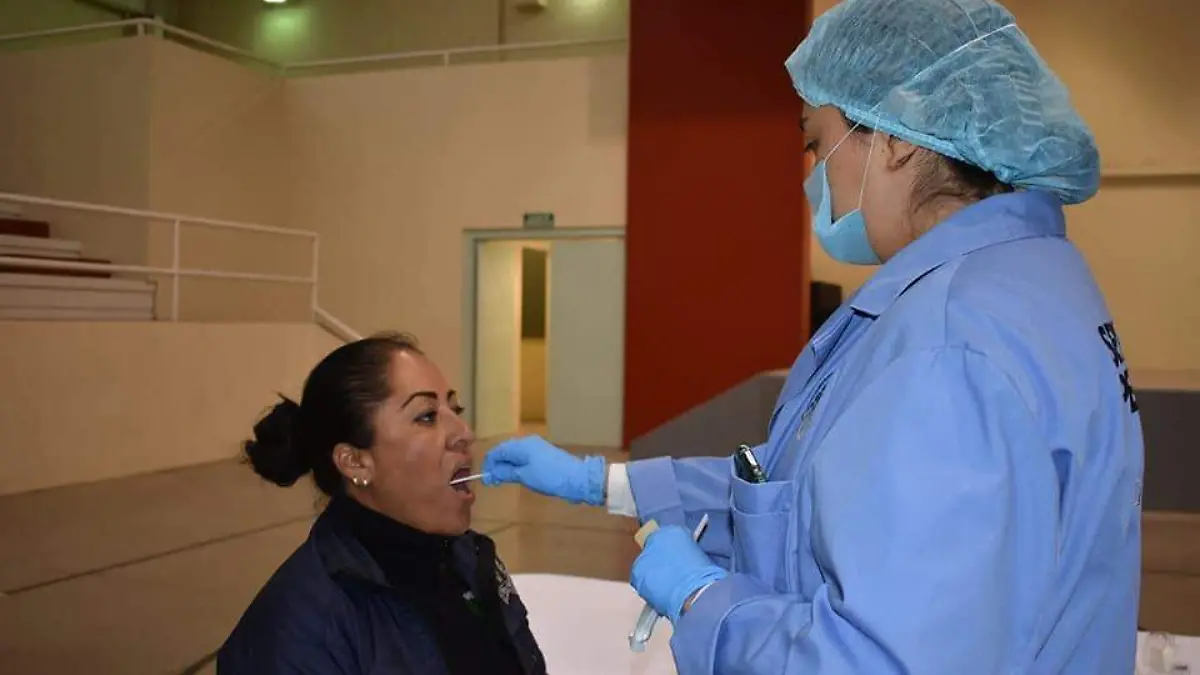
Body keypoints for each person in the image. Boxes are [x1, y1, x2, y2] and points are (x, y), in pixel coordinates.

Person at [482, 1, 1144, 673]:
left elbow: (876, 660)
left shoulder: (950, 344)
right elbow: (823, 496)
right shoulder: (1030, 284)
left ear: (897, 137)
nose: (810, 175)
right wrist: (604, 483)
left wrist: (707, 599)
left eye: (815, 140)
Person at [218, 332, 546, 675]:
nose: (464, 432)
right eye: (427, 416)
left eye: (455, 409)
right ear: (356, 462)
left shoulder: (471, 561)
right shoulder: (300, 627)